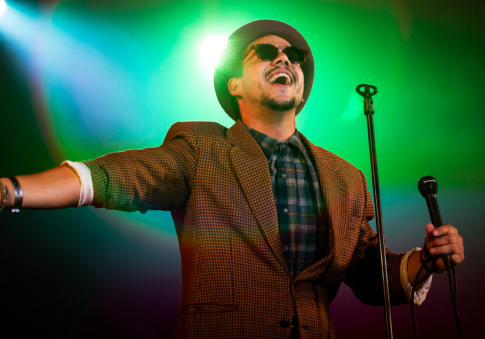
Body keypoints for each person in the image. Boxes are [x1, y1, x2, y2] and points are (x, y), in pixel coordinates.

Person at [0, 19, 464, 339]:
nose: (285, 59)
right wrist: (12, 190)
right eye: (265, 52)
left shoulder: (345, 177)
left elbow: (370, 276)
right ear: (234, 85)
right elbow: (111, 177)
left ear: (301, 85)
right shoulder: (203, 150)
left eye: (295, 56)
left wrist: (425, 259)